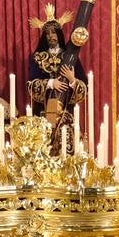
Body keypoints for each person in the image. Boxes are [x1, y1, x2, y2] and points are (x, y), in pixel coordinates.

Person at [26, 15, 87, 154]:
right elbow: (30, 85)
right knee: (45, 151)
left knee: (66, 152)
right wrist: (51, 83)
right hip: (44, 110)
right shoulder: (37, 58)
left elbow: (85, 87)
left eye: (53, 32)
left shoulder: (71, 58)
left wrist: (72, 80)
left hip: (65, 111)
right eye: (47, 33)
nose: (50, 36)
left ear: (59, 34)